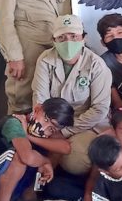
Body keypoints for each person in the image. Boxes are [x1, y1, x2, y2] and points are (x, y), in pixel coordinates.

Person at [32, 14, 111, 176]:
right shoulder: (45, 60)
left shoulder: (96, 65)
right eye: (61, 38)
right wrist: (49, 127)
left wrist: (65, 131)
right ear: (53, 41)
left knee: (75, 160)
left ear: (83, 38)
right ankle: (38, 183)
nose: (68, 42)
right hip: (51, 121)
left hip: (86, 124)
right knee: (29, 142)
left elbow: (99, 109)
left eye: (74, 36)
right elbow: (40, 100)